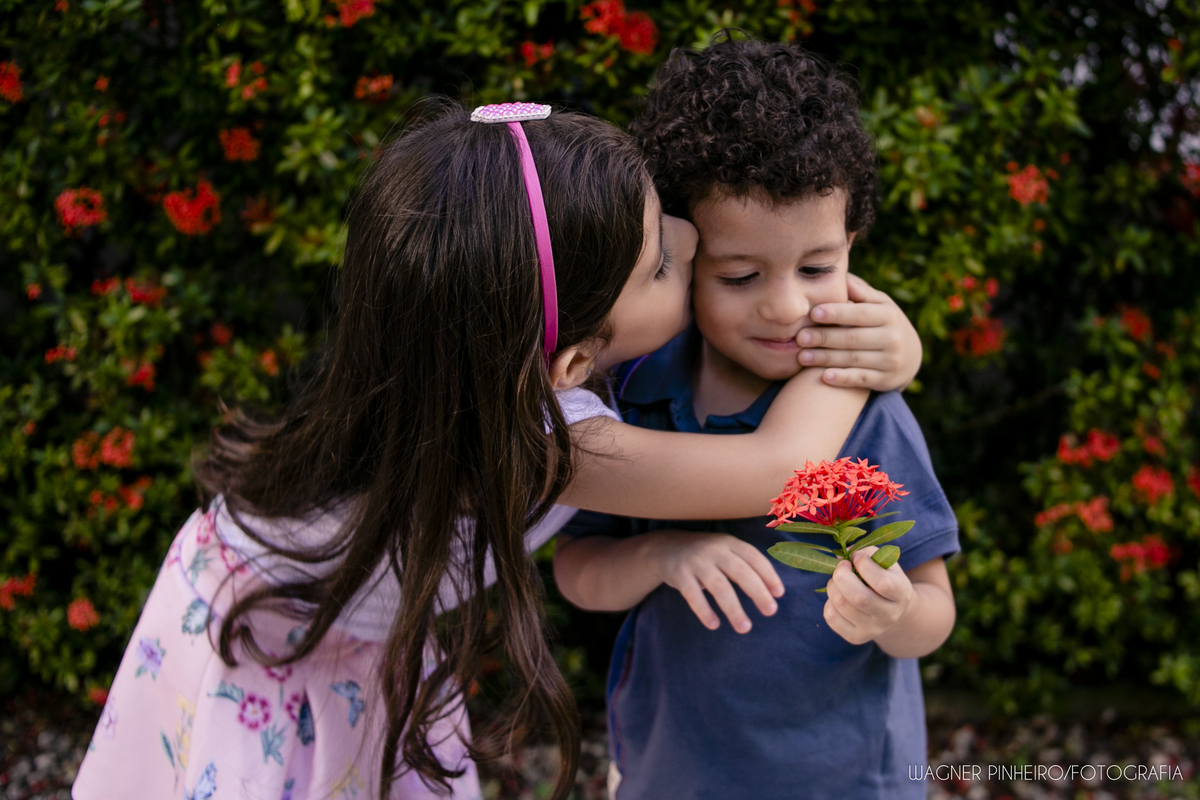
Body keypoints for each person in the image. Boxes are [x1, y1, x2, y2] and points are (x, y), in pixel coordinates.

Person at [73, 101, 920, 800]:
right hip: (273, 644)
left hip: (295, 600)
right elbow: (781, 469)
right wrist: (877, 349)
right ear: (574, 362)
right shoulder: (542, 442)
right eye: (662, 261)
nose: (692, 243)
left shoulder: (471, 363)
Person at [554, 38, 960, 800]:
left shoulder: (865, 417)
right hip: (669, 773)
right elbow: (578, 572)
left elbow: (934, 612)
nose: (786, 306)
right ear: (675, 259)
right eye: (740, 276)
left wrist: (893, 611)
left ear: (852, 246)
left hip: (844, 781)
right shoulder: (637, 398)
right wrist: (662, 556)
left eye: (817, 267)